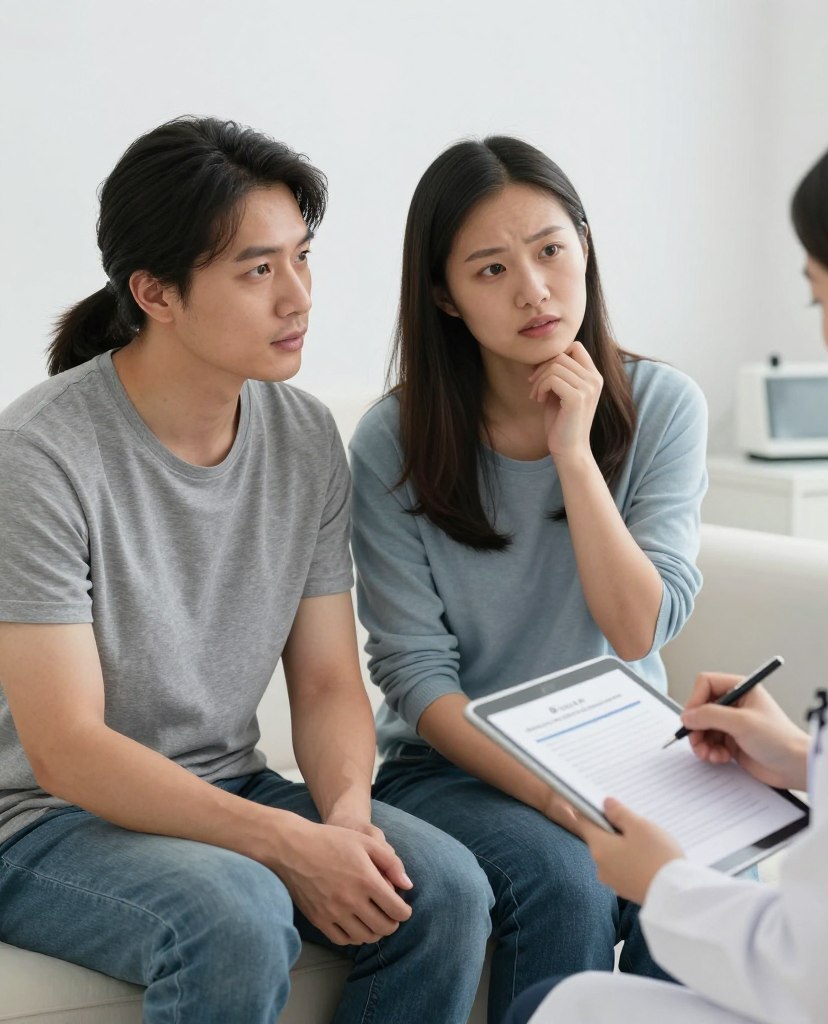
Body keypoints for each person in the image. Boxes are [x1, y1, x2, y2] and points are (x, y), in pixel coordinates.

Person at [505, 93, 828, 1024]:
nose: (823, 330)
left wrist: (666, 883)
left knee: (570, 1004)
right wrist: (810, 757)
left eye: (823, 299)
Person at [0, 116, 492, 1024]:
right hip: (42, 822)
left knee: (444, 889)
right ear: (156, 291)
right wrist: (282, 844)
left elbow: (328, 680)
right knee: (235, 912)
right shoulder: (40, 453)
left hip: (224, 784)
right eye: (257, 270)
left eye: (302, 258)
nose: (297, 297)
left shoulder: (302, 437)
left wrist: (346, 818)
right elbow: (64, 751)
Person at [348, 135, 708, 1022]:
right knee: (566, 882)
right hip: (452, 769)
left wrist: (574, 457)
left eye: (551, 250)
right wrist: (555, 797)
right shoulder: (392, 443)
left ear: (585, 245)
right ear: (445, 296)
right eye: (491, 269)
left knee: (697, 889)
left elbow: (637, 631)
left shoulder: (664, 406)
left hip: (622, 757)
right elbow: (417, 679)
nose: (535, 289)